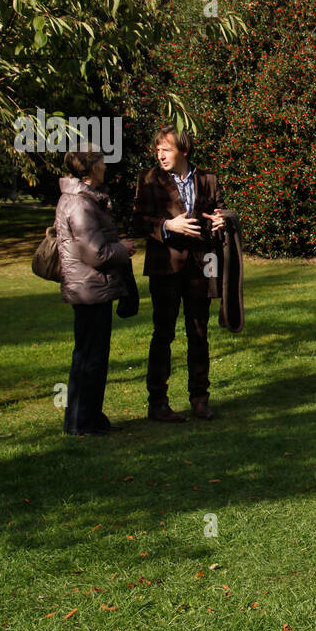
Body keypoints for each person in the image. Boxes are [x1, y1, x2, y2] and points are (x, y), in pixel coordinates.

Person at [134, 127, 227, 422]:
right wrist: (167, 226)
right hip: (165, 267)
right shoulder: (149, 180)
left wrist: (222, 220)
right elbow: (137, 221)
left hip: (201, 266)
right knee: (163, 334)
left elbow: (220, 212)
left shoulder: (207, 179)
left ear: (184, 151)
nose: (160, 155)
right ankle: (157, 402)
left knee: (199, 334)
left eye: (167, 149)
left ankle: (200, 399)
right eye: (158, 150)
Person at [55, 145, 136, 436]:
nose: (106, 166)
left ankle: (89, 418)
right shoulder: (80, 204)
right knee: (90, 357)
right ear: (90, 169)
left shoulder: (84, 200)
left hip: (91, 287)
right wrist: (123, 249)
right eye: (101, 162)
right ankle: (82, 421)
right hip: (90, 288)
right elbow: (96, 253)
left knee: (91, 355)